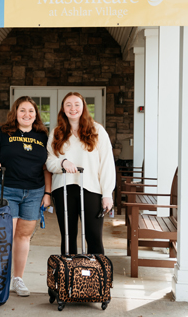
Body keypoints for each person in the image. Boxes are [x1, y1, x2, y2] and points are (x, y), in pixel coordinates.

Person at [0, 96, 52, 297]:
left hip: (34, 191)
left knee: (23, 236)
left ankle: (17, 279)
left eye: (31, 111)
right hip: (6, 189)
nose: (27, 114)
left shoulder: (42, 136)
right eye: (22, 110)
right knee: (6, 237)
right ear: (15, 112)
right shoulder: (2, 133)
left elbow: (46, 167)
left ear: (36, 114)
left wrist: (47, 193)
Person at [46, 92, 116, 255]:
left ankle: (96, 278)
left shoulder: (97, 131)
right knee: (68, 237)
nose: (73, 108)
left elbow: (106, 163)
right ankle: (70, 278)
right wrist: (62, 163)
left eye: (77, 104)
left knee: (94, 237)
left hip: (91, 188)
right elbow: (49, 161)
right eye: (68, 105)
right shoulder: (56, 133)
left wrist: (107, 193)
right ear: (63, 109)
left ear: (83, 107)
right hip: (63, 189)